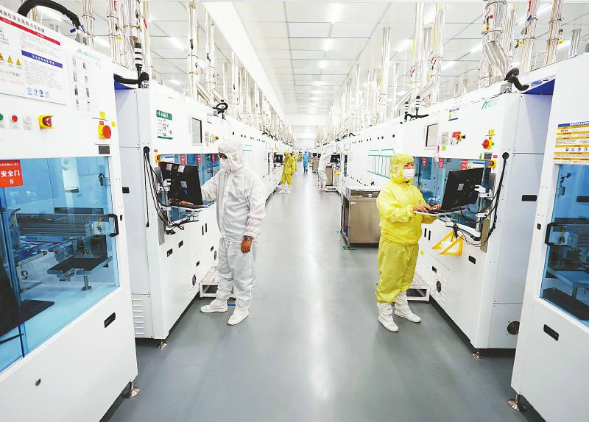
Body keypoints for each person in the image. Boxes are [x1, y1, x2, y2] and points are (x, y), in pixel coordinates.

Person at [199, 139, 266, 325]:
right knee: (224, 271)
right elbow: (208, 191)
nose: (221, 160)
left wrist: (248, 237)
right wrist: (189, 194)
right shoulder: (222, 175)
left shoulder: (251, 179)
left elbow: (257, 211)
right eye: (220, 156)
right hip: (226, 236)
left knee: (243, 276)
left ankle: (242, 308)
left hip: (241, 238)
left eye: (223, 157)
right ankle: (220, 302)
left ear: (234, 156)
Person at [375, 153, 438, 332]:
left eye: (412, 164)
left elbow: (422, 216)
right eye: (406, 165)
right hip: (394, 243)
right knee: (390, 279)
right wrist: (412, 209)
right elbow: (391, 214)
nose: (411, 168)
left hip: (411, 243)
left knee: (405, 278)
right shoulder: (388, 190)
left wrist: (433, 212)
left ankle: (401, 308)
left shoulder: (414, 190)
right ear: (397, 168)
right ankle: (384, 312)